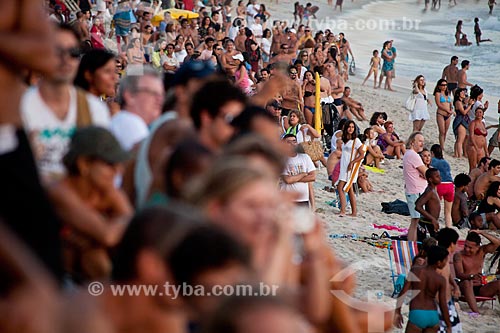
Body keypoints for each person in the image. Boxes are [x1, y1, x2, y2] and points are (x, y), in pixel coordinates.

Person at [21, 23, 110, 182]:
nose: (66, 59)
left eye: (73, 53)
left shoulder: (94, 109)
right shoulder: (20, 107)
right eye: (57, 51)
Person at [47, 126, 132, 281]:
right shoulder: (60, 192)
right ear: (84, 164)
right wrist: (113, 226)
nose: (117, 171)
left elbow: (134, 226)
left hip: (83, 275)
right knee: (95, 257)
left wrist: (91, 238)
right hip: (52, 276)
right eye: (109, 164)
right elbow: (107, 235)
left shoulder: (106, 191)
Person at [394, 246, 452, 333]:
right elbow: (443, 304)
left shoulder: (415, 271)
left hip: (417, 313)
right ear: (439, 262)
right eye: (445, 260)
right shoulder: (441, 279)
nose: (446, 263)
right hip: (433, 315)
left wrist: (397, 311)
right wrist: (449, 325)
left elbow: (403, 292)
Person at [110, 66, 164, 151]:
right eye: (153, 93)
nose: (159, 99)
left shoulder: (128, 122)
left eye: (161, 95)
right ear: (130, 96)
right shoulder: (130, 123)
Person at [189, 79, 247, 153]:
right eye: (232, 119)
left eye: (242, 120)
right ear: (206, 118)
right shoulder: (185, 160)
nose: (237, 128)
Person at [453, 230, 500, 314]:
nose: (467, 249)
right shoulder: (459, 255)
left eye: (470, 248)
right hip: (464, 286)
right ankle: (476, 312)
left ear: (478, 247)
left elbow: (497, 243)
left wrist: (481, 232)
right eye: (466, 246)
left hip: (480, 287)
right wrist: (471, 277)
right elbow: (459, 274)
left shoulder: (481, 252)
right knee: (467, 283)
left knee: (499, 283)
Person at [435, 228, 462, 333]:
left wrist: (455, 286)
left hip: (447, 302)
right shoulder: (439, 260)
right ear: (451, 244)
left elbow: (448, 274)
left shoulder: (444, 259)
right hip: (441, 304)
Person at [280, 134, 317, 207]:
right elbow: (287, 180)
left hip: (303, 199)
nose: (292, 144)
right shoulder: (282, 159)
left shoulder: (305, 157)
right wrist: (302, 174)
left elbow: (313, 177)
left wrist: (293, 178)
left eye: (294, 141)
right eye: (288, 142)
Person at [337, 120, 365, 217]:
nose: (351, 129)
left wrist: (353, 162)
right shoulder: (345, 140)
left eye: (353, 127)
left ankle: (343, 210)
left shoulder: (356, 141)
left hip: (350, 167)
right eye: (349, 127)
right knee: (349, 189)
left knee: (341, 187)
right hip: (344, 165)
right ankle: (353, 212)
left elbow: (362, 154)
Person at [404, 132, 428, 241]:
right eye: (420, 141)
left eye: (423, 141)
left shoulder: (410, 154)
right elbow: (426, 173)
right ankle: (411, 244)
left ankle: (412, 243)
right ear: (413, 142)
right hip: (415, 191)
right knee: (415, 221)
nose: (422, 144)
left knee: (415, 221)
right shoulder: (413, 155)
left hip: (414, 190)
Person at [415, 168, 442, 241]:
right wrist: (432, 219)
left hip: (430, 222)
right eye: (437, 176)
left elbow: (417, 202)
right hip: (428, 222)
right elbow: (418, 206)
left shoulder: (432, 189)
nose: (440, 178)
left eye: (439, 176)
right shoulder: (430, 191)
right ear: (430, 179)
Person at [431, 145, 454, 228]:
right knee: (448, 212)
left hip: (440, 184)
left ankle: (434, 227)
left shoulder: (433, 161)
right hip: (450, 185)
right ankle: (449, 228)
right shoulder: (445, 162)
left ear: (432, 153)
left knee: (436, 209)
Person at [453, 88, 473, 158]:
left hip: (462, 120)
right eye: (462, 93)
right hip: (460, 121)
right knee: (460, 140)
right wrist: (470, 105)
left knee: (459, 139)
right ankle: (459, 155)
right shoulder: (458, 102)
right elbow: (463, 112)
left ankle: (456, 154)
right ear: (458, 94)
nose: (464, 94)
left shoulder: (462, 102)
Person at [467, 107, 489, 173]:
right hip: (473, 147)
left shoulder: (483, 124)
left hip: (481, 148)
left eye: (480, 112)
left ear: (483, 114)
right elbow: (471, 136)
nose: (478, 114)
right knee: (473, 166)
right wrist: (476, 147)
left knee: (482, 167)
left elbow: (484, 138)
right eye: (477, 112)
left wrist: (486, 151)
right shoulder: (473, 123)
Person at [434, 78, 453, 150]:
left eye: (445, 85)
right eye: (443, 85)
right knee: (442, 131)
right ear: (439, 86)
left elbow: (450, 103)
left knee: (445, 132)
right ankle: (442, 147)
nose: (444, 86)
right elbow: (439, 104)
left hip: (448, 115)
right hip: (441, 114)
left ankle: (442, 144)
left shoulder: (447, 94)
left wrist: (451, 110)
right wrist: (447, 110)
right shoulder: (438, 94)